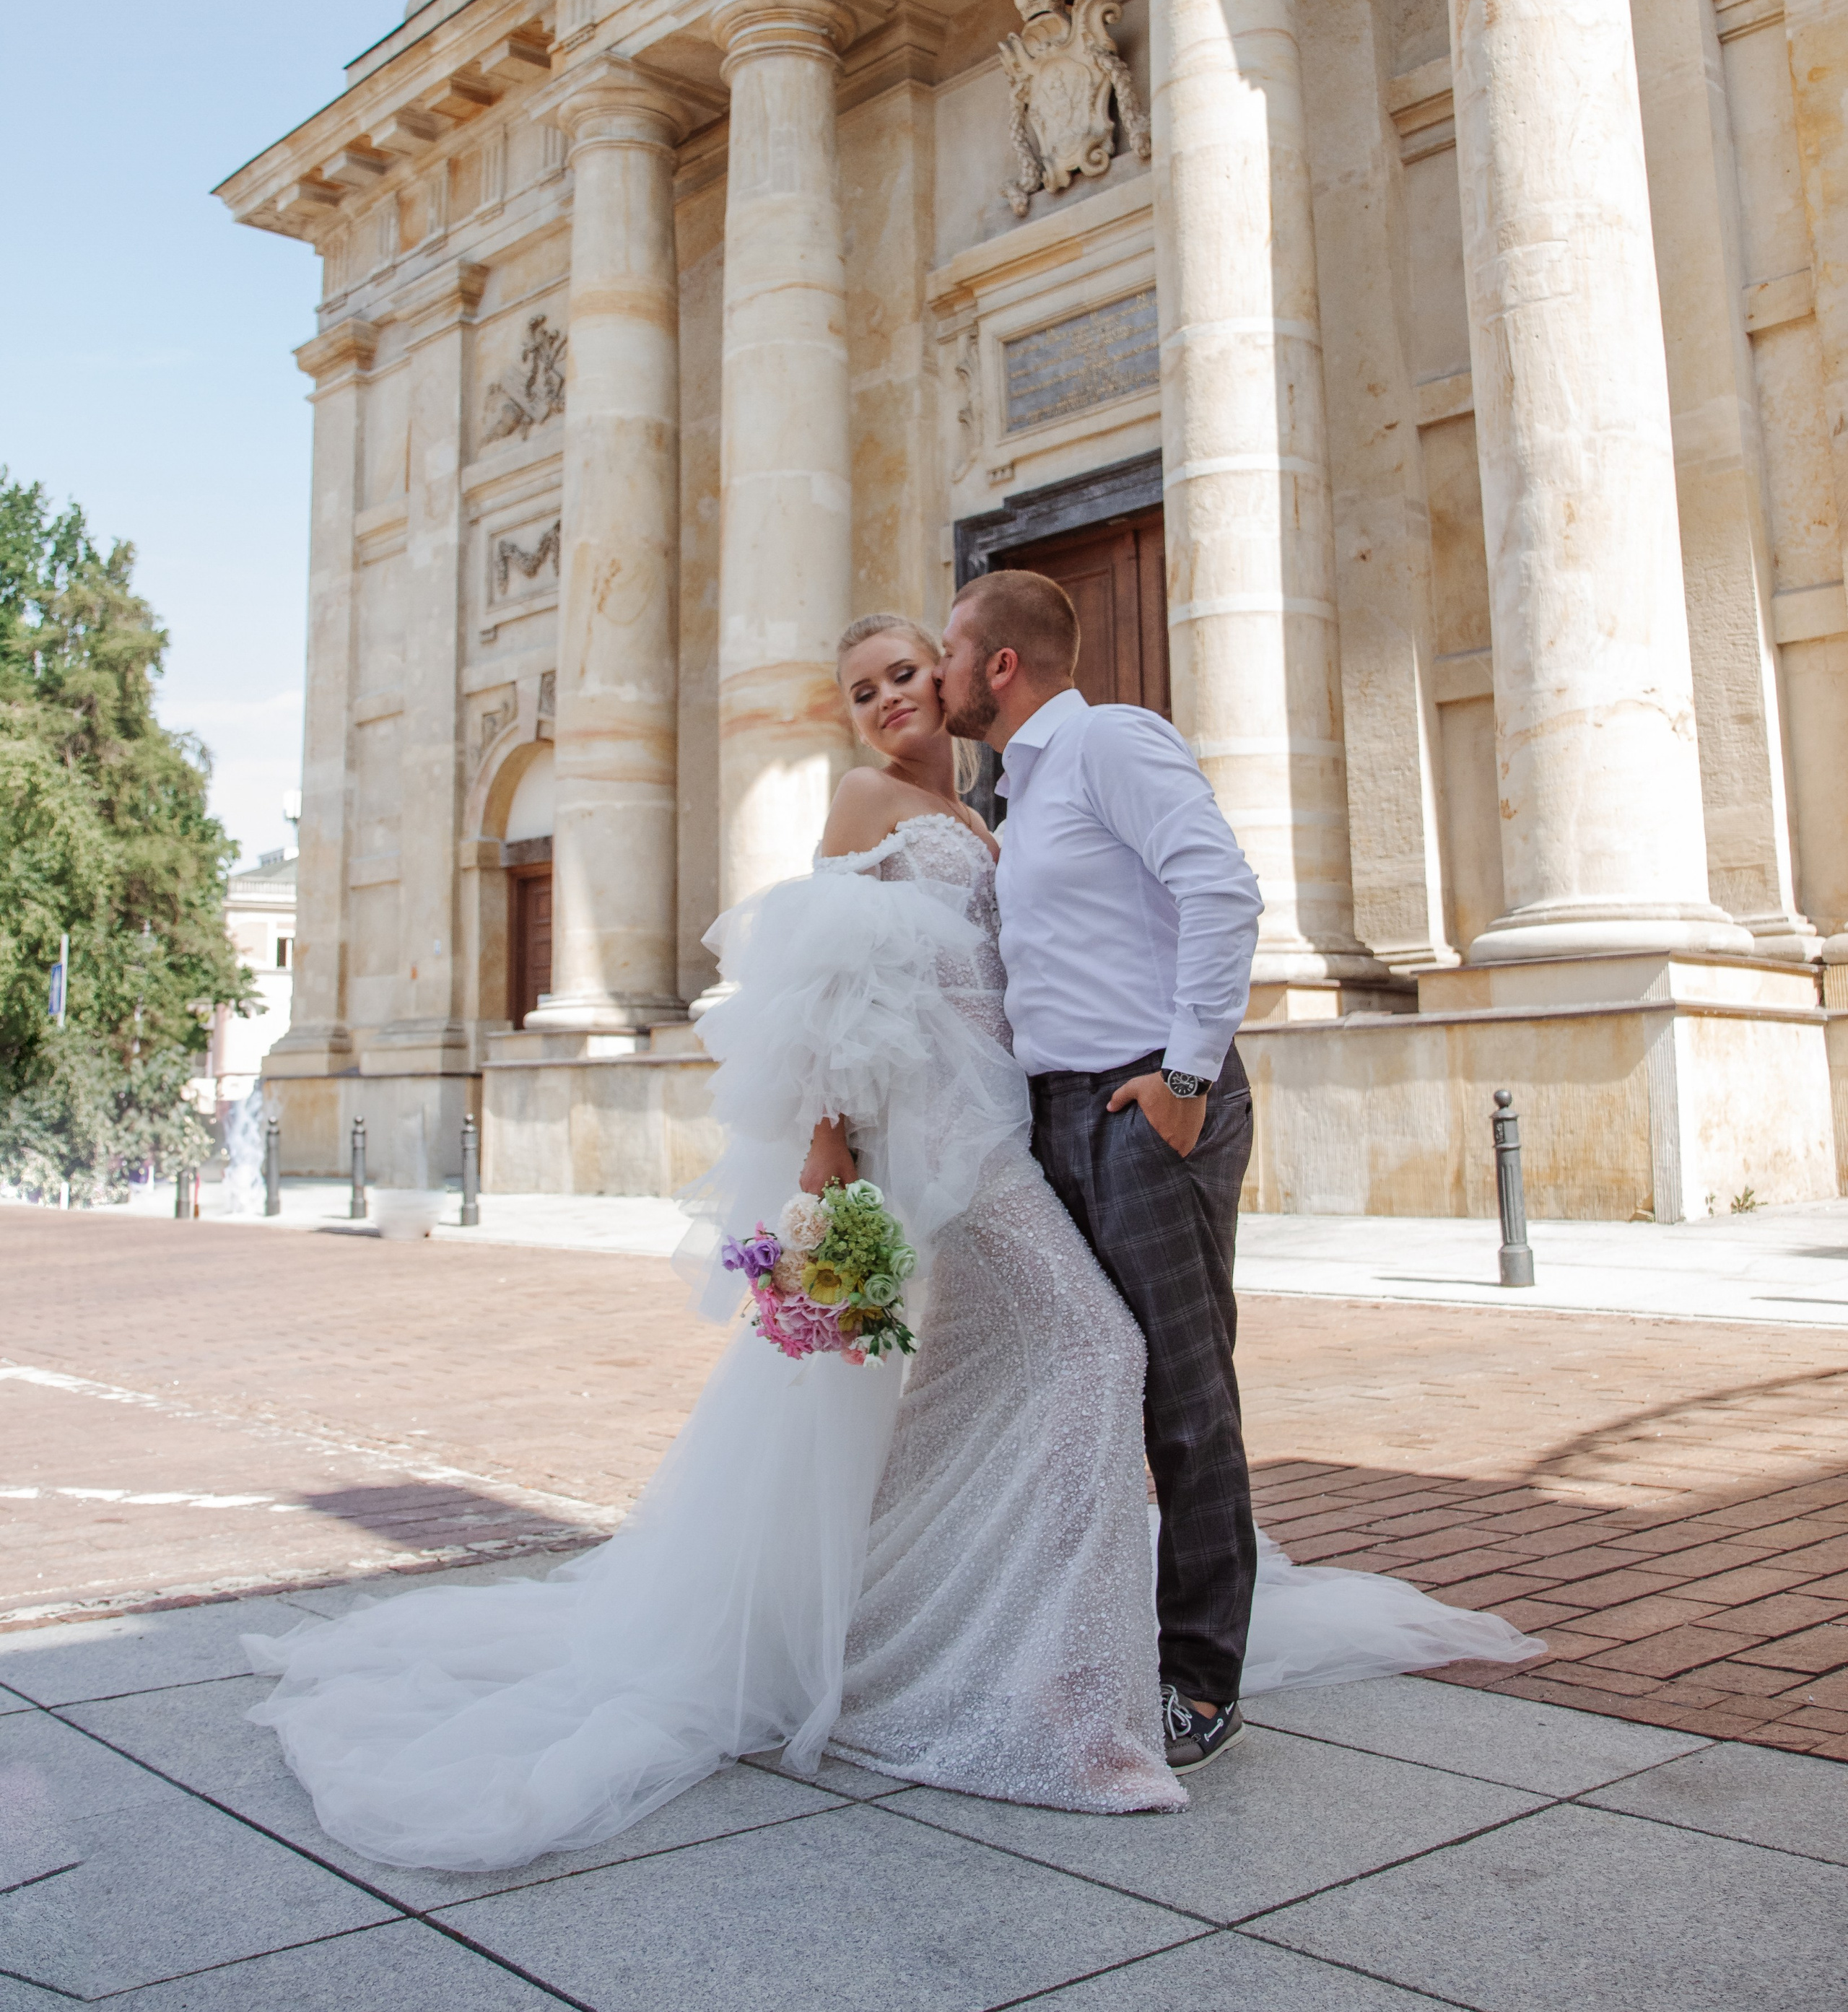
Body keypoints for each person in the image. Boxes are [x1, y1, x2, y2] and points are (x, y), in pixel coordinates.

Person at [239, 613, 1184, 1873]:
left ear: (952, 675)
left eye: (906, 672)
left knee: (978, 1386)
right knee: (1099, 1346)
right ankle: (1068, 1711)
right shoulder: (859, 800)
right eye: (863, 689)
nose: (890, 698)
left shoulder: (975, 817)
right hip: (939, 1146)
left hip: (993, 1125)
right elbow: (828, 985)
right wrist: (827, 1149)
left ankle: (915, 1633)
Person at [938, 567, 1258, 1768]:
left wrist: (1182, 1082)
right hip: (1058, 1114)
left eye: (953, 654)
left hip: (1145, 1104)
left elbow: (1221, 887)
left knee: (1184, 1396)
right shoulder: (1019, 799)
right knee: (1087, 1385)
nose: (942, 675)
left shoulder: (1114, 741)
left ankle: (1200, 1680)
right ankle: (1094, 1646)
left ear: (1001, 665)